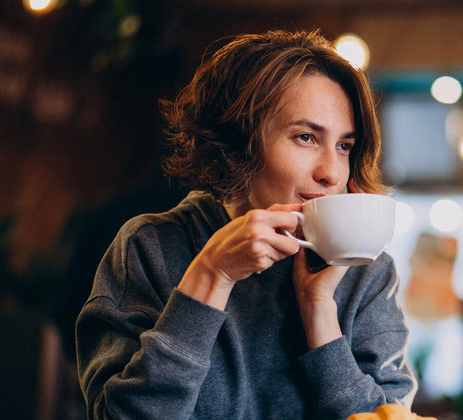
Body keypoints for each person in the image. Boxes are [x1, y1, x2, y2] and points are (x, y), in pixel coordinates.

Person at [75, 29, 417, 419]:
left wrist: (320, 313)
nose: (332, 173)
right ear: (237, 142)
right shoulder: (151, 246)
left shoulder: (364, 273)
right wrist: (210, 275)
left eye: (344, 146)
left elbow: (386, 415)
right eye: (306, 137)